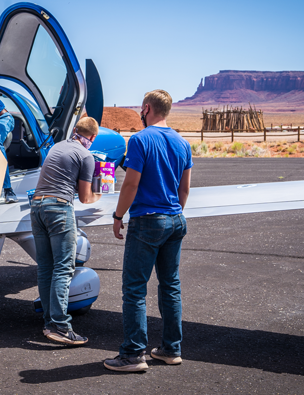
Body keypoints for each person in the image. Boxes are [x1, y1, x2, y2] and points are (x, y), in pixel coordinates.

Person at [104, 90, 192, 372]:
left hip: (147, 221)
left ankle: (132, 355)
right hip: (175, 219)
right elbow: (184, 189)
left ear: (146, 109)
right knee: (170, 286)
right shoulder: (183, 142)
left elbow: (130, 185)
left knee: (134, 290)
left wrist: (118, 216)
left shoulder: (140, 140)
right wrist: (173, 212)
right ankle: (170, 349)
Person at [31, 117, 102, 345]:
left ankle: (49, 322)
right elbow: (84, 197)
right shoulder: (86, 156)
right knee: (63, 268)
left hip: (37, 207)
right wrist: (100, 191)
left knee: (46, 268)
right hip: (59, 209)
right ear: (92, 137)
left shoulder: (58, 146)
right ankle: (60, 326)